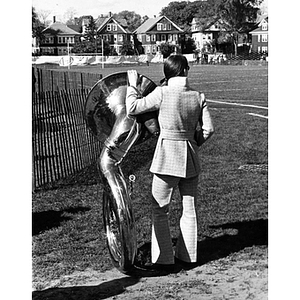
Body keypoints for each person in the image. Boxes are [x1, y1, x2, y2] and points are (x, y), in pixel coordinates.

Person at [126, 54, 214, 271]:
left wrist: (131, 86)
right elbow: (209, 129)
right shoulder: (198, 96)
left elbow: (132, 108)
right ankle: (188, 257)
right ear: (183, 70)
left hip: (167, 157)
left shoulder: (163, 92)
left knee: (159, 209)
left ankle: (164, 259)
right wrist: (193, 144)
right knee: (189, 208)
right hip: (190, 155)